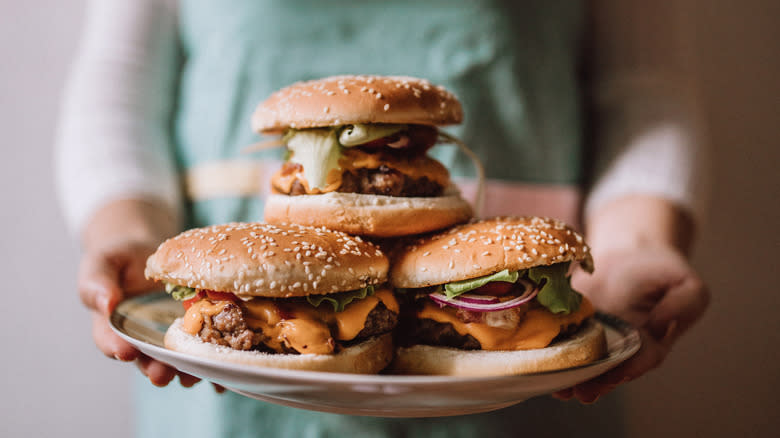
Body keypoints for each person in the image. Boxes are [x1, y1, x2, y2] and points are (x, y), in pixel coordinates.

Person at [56, 0, 709, 436]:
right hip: (226, 400)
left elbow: (643, 89)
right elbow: (121, 81)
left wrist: (636, 244)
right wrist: (126, 229)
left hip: (532, 397)